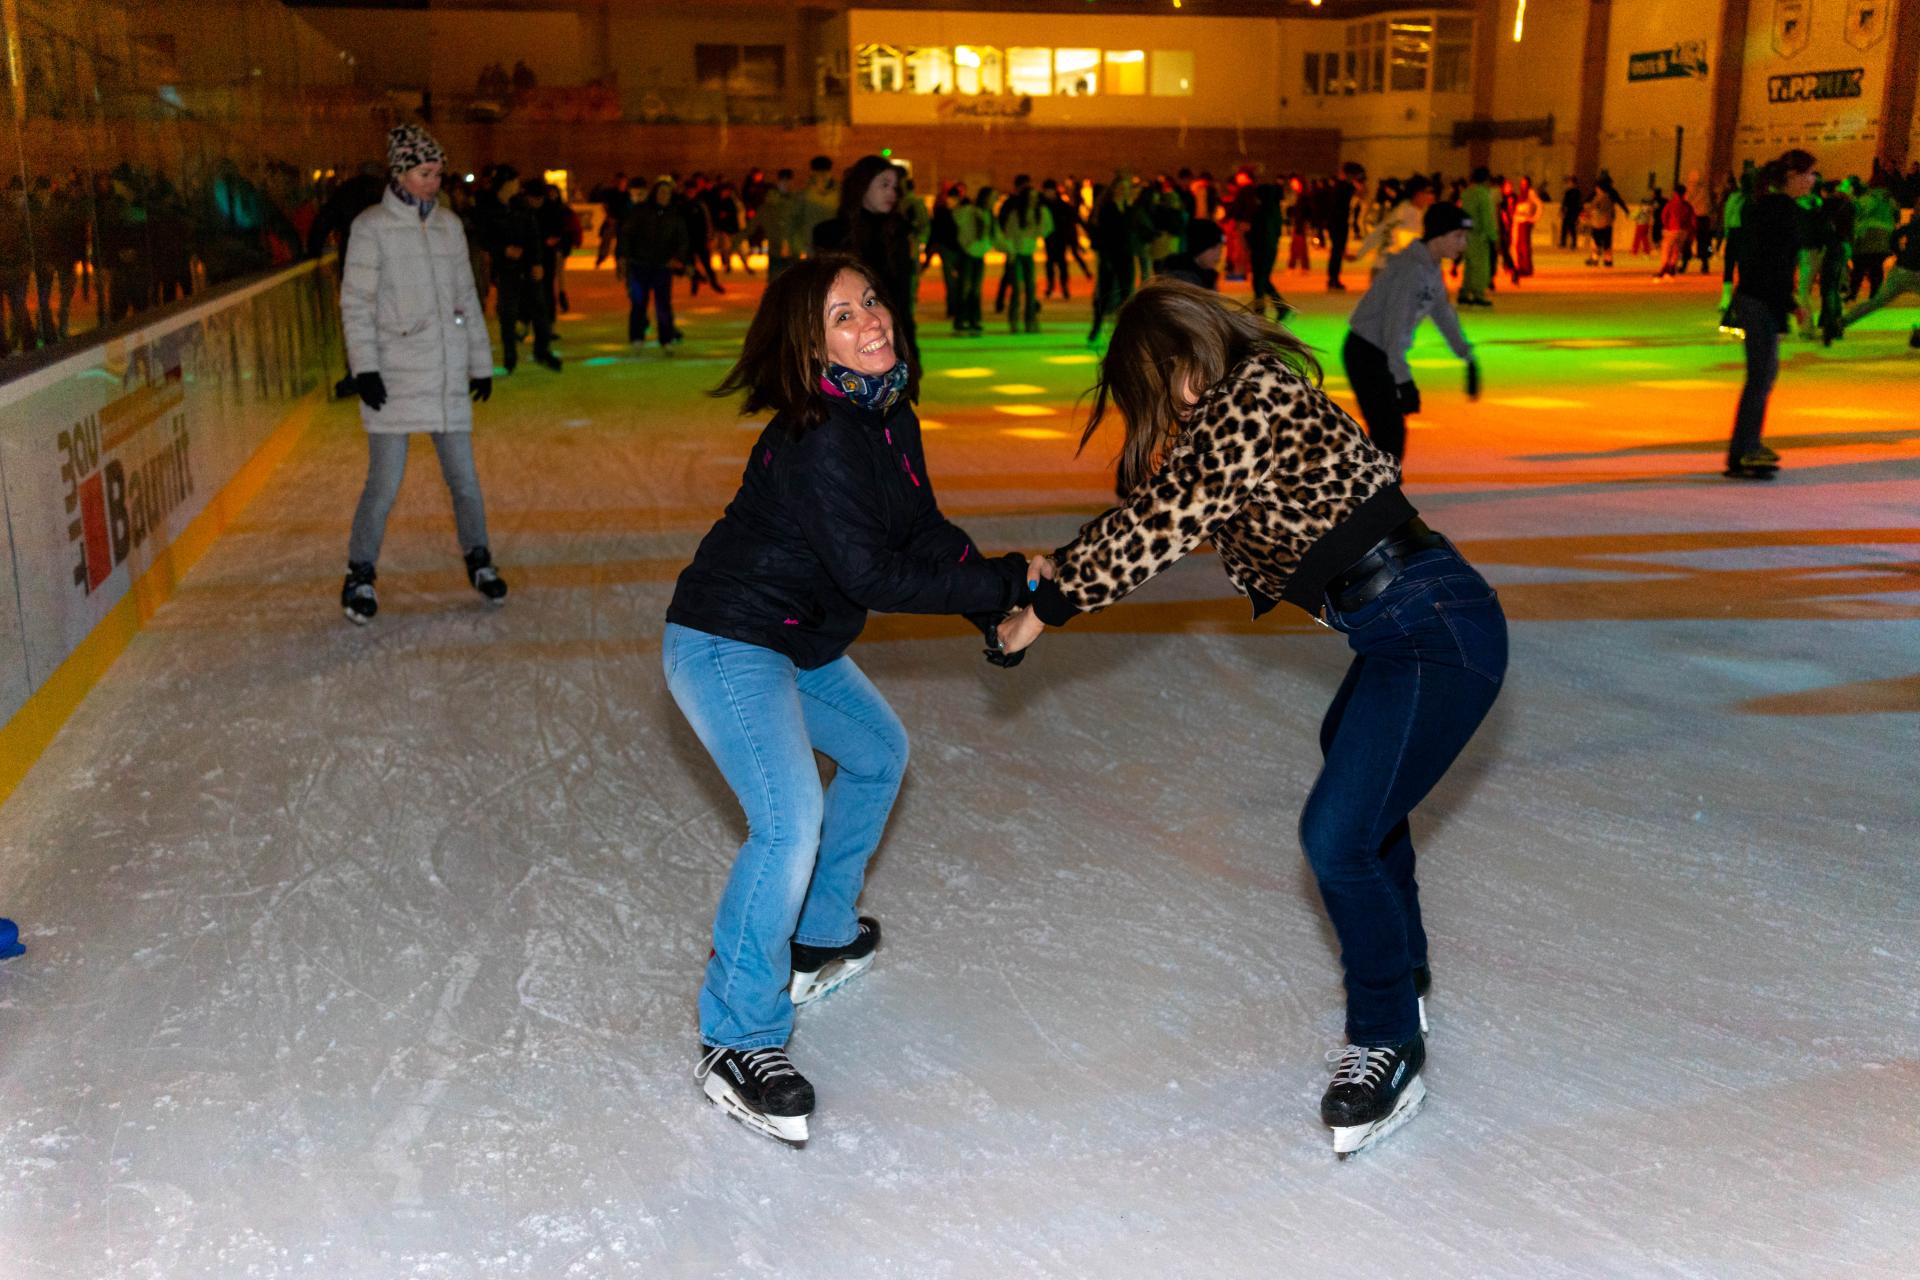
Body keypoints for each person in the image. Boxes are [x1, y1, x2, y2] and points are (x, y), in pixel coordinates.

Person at [998, 279, 1507, 1158]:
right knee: (1355, 782)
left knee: (1337, 835)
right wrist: (1058, 565)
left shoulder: (1255, 392)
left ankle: (1387, 1036)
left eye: (1157, 384)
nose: (1166, 408)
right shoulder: (1236, 419)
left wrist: (1048, 608)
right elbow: (1168, 510)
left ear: (1184, 355)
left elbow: (1166, 519)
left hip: (1434, 628)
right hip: (1404, 628)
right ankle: (1404, 973)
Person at [668, 255, 1036, 1146]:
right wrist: (1006, 583)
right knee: (788, 820)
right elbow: (873, 573)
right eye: (842, 316)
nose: (871, 321)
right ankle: (736, 1038)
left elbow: (923, 534)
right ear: (809, 347)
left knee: (877, 753)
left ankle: (820, 935)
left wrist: (994, 604)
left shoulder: (886, 415)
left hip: (796, 641)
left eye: (870, 301)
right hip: (728, 640)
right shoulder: (818, 436)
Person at [337, 123, 507, 624]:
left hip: (446, 372)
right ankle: (360, 573)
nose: (434, 182)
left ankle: (479, 557)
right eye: (424, 173)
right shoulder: (372, 227)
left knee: (465, 480)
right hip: (394, 375)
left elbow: (466, 297)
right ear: (400, 173)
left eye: (437, 173)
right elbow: (356, 302)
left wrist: (479, 363)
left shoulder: (450, 226)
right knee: (384, 483)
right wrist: (366, 368)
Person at [1339, 203, 1479, 465]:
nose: (1464, 244)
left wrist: (1466, 354)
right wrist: (1404, 382)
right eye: (1458, 236)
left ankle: (1373, 483)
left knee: (1388, 433)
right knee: (1389, 431)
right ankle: (1372, 485)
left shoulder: (1430, 267)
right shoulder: (1411, 270)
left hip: (1380, 353)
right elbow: (1395, 330)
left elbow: (1443, 313)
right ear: (1438, 236)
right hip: (1366, 352)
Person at [1725, 150, 1816, 480]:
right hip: (1761, 300)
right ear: (1791, 176)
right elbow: (1774, 263)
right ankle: (1745, 450)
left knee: (1763, 376)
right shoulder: (1781, 210)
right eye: (1809, 174)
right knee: (1761, 377)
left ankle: (1745, 447)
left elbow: (1761, 258)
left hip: (1756, 298)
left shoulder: (1765, 206)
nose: (1813, 180)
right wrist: (1790, 302)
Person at [813, 155, 919, 368]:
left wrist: (909, 350)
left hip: (893, 344)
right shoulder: (832, 234)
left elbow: (902, 297)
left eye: (895, 187)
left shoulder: (898, 233)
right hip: (848, 349)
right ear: (862, 186)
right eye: (884, 185)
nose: (892, 193)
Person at [1837, 194, 1920, 350]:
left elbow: (1895, 236)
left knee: (1876, 302)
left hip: (1901, 270)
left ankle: (1842, 322)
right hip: (1915, 272)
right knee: (1877, 301)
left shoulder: (1913, 224)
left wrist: (1900, 254)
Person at [617, 176, 689, 352]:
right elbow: (626, 234)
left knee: (663, 304)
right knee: (639, 303)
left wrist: (678, 258)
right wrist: (623, 257)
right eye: (661, 192)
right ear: (655, 193)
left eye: (667, 193)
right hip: (639, 265)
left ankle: (666, 339)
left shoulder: (674, 215)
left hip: (662, 267)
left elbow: (682, 240)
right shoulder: (641, 211)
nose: (664, 196)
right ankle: (637, 337)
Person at [996, 183, 1052, 333]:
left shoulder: (1040, 213)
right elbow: (1009, 234)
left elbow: (1046, 229)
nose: (1033, 200)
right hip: (1016, 255)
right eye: (1031, 197)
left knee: (1031, 289)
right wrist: (1011, 253)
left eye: (1035, 197)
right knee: (1016, 289)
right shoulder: (1016, 215)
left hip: (1029, 254)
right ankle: (1014, 320)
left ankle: (1030, 320)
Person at [950, 185, 993, 336]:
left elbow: (991, 234)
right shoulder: (970, 211)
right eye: (992, 198)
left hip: (979, 254)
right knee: (965, 288)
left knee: (975, 289)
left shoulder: (987, 214)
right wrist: (967, 244)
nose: (993, 202)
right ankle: (961, 320)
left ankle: (974, 319)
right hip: (967, 254)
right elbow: (956, 217)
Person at [1457, 168, 1498, 306]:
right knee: (1481, 267)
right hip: (1480, 236)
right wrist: (1493, 236)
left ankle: (1464, 292)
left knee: (1469, 266)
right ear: (1486, 179)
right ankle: (1478, 294)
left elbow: (1464, 215)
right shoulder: (1483, 195)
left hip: (1467, 234)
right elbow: (1487, 218)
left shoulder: (1466, 193)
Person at [1322, 163, 1363, 291]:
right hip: (1339, 223)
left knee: (1337, 251)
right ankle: (1333, 279)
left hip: (1336, 223)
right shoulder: (1344, 186)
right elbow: (1360, 192)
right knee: (1337, 251)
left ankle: (1333, 278)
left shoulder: (1338, 186)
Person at [1153, 218, 1224, 289]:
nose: (1218, 253)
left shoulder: (1207, 276)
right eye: (1213, 248)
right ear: (1199, 247)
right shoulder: (1180, 278)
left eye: (1220, 248)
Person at [1655, 186, 1697, 279]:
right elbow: (1693, 219)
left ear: (1675, 193)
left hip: (1672, 229)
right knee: (1676, 249)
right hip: (1683, 231)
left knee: (1666, 248)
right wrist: (1691, 231)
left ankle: (1665, 266)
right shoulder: (1687, 206)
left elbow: (1664, 216)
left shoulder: (1671, 204)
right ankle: (1672, 266)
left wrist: (1666, 226)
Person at [1509, 177, 1540, 284]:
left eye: (1525, 183)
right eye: (1521, 183)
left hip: (1524, 222)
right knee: (1518, 246)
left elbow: (1539, 205)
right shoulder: (1520, 194)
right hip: (1518, 221)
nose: (1522, 185)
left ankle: (1526, 268)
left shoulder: (1531, 193)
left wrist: (1534, 218)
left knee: (1524, 246)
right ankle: (1520, 267)